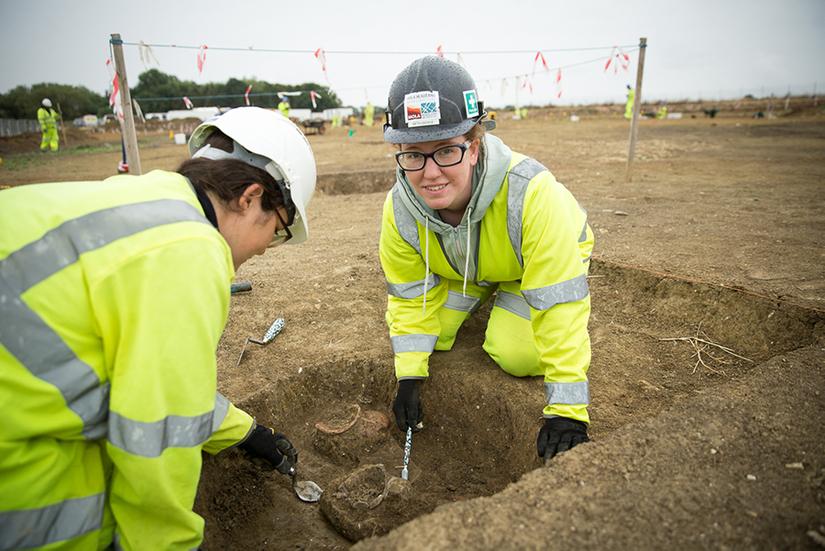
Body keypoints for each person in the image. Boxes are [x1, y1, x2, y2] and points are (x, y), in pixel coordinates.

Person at [0, 106, 317, 549]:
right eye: (279, 230)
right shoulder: (190, 250)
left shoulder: (150, 203)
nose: (267, 249)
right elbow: (154, 436)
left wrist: (245, 432)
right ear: (249, 198)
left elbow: (147, 377)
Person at [380, 57, 594, 463]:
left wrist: (567, 413)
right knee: (434, 338)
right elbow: (410, 296)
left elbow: (559, 303)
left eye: (446, 151)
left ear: (474, 147)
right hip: (469, 268)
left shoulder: (531, 194)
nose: (430, 173)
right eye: (413, 155)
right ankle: (481, 287)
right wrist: (409, 375)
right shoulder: (398, 210)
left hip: (532, 268)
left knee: (518, 354)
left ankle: (501, 291)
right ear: (400, 152)